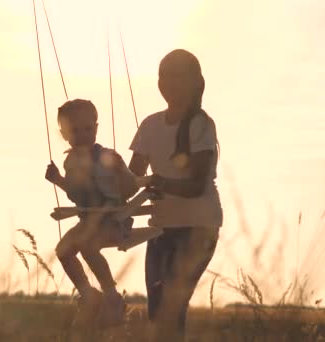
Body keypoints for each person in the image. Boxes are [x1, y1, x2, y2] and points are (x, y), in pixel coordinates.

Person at [127, 49, 223, 341]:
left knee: (172, 302)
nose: (168, 82)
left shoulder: (201, 125)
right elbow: (131, 180)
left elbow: (196, 185)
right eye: (163, 75)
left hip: (198, 228)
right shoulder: (149, 124)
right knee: (158, 307)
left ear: (196, 82)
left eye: (177, 75)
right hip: (161, 229)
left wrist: (158, 182)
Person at [44, 98, 138, 329]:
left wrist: (121, 176)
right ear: (64, 134)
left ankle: (112, 296)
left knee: (86, 245)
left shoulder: (108, 157)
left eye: (87, 128)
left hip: (115, 220)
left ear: (96, 128)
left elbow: (131, 187)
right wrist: (58, 180)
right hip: (89, 220)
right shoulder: (70, 161)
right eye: (75, 130)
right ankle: (88, 293)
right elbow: (78, 196)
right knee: (63, 251)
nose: (83, 134)